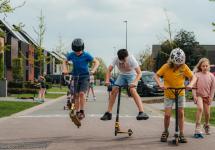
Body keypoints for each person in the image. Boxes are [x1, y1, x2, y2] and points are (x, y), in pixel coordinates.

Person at [154, 48, 196, 143]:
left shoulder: (184, 67)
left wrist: (190, 84)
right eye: (176, 63)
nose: (178, 65)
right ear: (172, 60)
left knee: (181, 113)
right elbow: (156, 75)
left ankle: (181, 133)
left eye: (180, 63)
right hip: (169, 93)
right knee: (167, 115)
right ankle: (165, 131)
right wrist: (160, 84)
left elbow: (193, 77)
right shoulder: (166, 66)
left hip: (180, 93)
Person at [100, 49, 149, 121]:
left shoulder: (131, 59)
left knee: (132, 90)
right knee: (114, 90)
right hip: (122, 75)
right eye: (122, 61)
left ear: (127, 56)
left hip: (132, 75)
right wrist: (107, 80)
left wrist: (135, 82)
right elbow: (109, 70)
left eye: (125, 60)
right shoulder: (115, 59)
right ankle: (108, 113)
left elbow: (139, 73)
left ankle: (141, 112)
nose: (123, 62)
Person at [63, 38, 99, 120]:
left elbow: (97, 62)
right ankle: (77, 111)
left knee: (82, 94)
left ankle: (82, 111)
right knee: (76, 95)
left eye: (79, 51)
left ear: (82, 48)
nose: (77, 52)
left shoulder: (86, 55)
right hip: (75, 77)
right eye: (76, 51)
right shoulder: (71, 55)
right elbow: (64, 61)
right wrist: (65, 69)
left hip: (85, 77)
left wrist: (93, 70)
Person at [192, 58, 215, 137]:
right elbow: (194, 87)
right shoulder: (197, 75)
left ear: (209, 66)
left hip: (207, 96)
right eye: (203, 66)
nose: (205, 67)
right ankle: (197, 127)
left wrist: (211, 97)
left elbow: (213, 88)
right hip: (199, 96)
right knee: (200, 108)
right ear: (200, 67)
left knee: (207, 113)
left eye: (206, 66)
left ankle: (206, 125)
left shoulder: (211, 76)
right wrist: (194, 96)